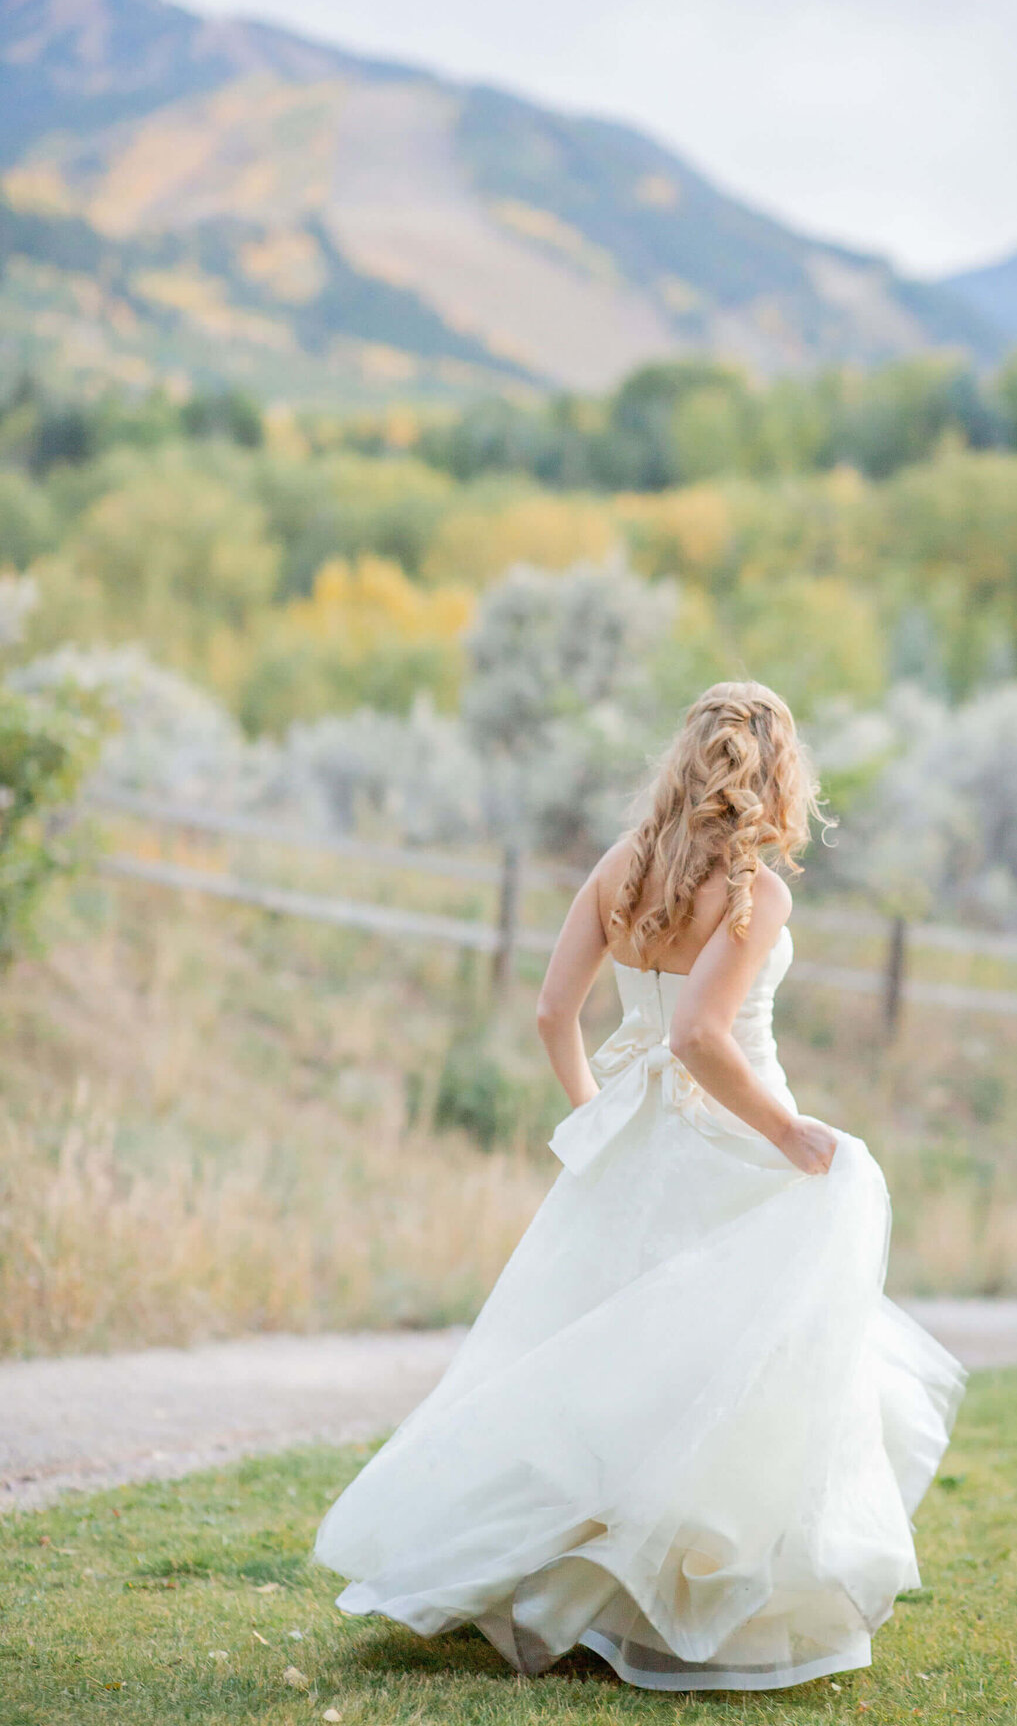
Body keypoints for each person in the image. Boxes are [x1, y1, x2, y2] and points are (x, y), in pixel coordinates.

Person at [312, 680, 966, 1691]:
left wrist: (595, 1117)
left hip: (633, 1150)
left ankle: (585, 1599)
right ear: (777, 775)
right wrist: (792, 1134)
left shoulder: (624, 865)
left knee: (608, 1374)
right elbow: (701, 1038)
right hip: (731, 1151)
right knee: (729, 1377)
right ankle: (679, 1607)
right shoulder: (755, 890)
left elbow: (551, 1013)